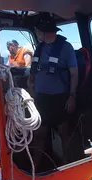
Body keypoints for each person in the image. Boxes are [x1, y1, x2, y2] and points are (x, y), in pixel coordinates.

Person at [28, 12, 78, 168]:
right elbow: (35, 70)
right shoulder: (40, 47)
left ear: (43, 31)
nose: (36, 34)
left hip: (59, 98)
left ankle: (67, 163)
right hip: (41, 98)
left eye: (36, 31)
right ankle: (35, 166)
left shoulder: (66, 48)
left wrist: (72, 97)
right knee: (39, 134)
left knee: (64, 133)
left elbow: (74, 73)